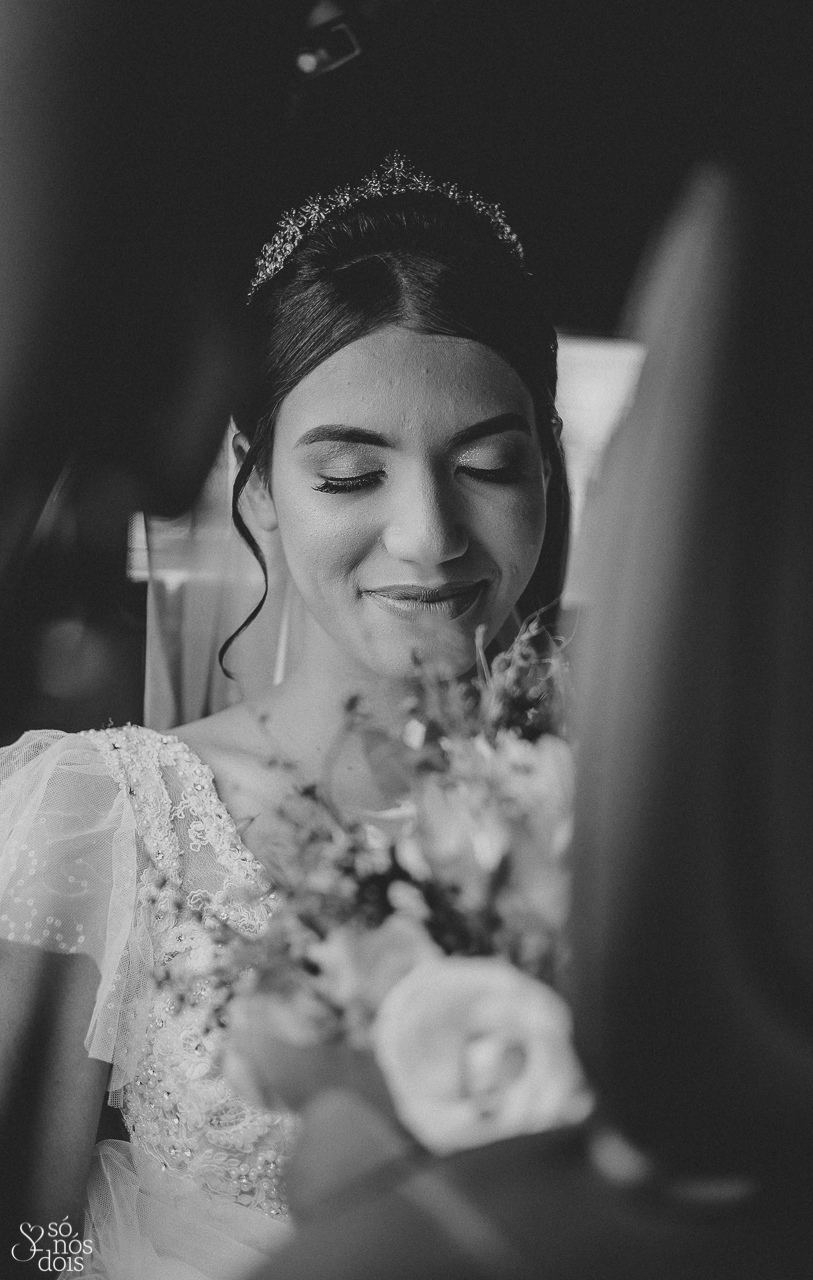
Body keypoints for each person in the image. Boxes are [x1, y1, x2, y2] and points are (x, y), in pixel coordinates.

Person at [0, 154, 570, 1278]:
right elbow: (25, 1236)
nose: (427, 535)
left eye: (489, 465)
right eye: (350, 476)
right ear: (257, 486)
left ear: (547, 471)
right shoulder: (100, 813)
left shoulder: (627, 822)